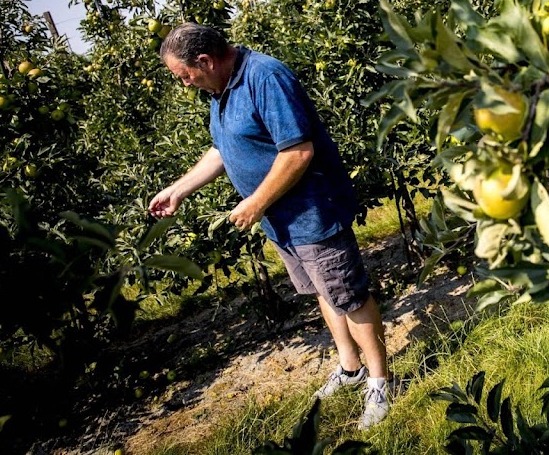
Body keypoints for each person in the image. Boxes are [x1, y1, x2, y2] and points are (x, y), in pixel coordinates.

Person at [148, 23, 391, 428]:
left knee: (348, 295)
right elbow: (224, 147)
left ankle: (381, 382)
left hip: (312, 211)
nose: (186, 84)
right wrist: (180, 188)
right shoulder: (220, 90)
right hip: (283, 220)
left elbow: (298, 151)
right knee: (323, 291)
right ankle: (352, 369)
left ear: (204, 61)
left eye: (185, 75)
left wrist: (256, 202)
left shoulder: (265, 77)